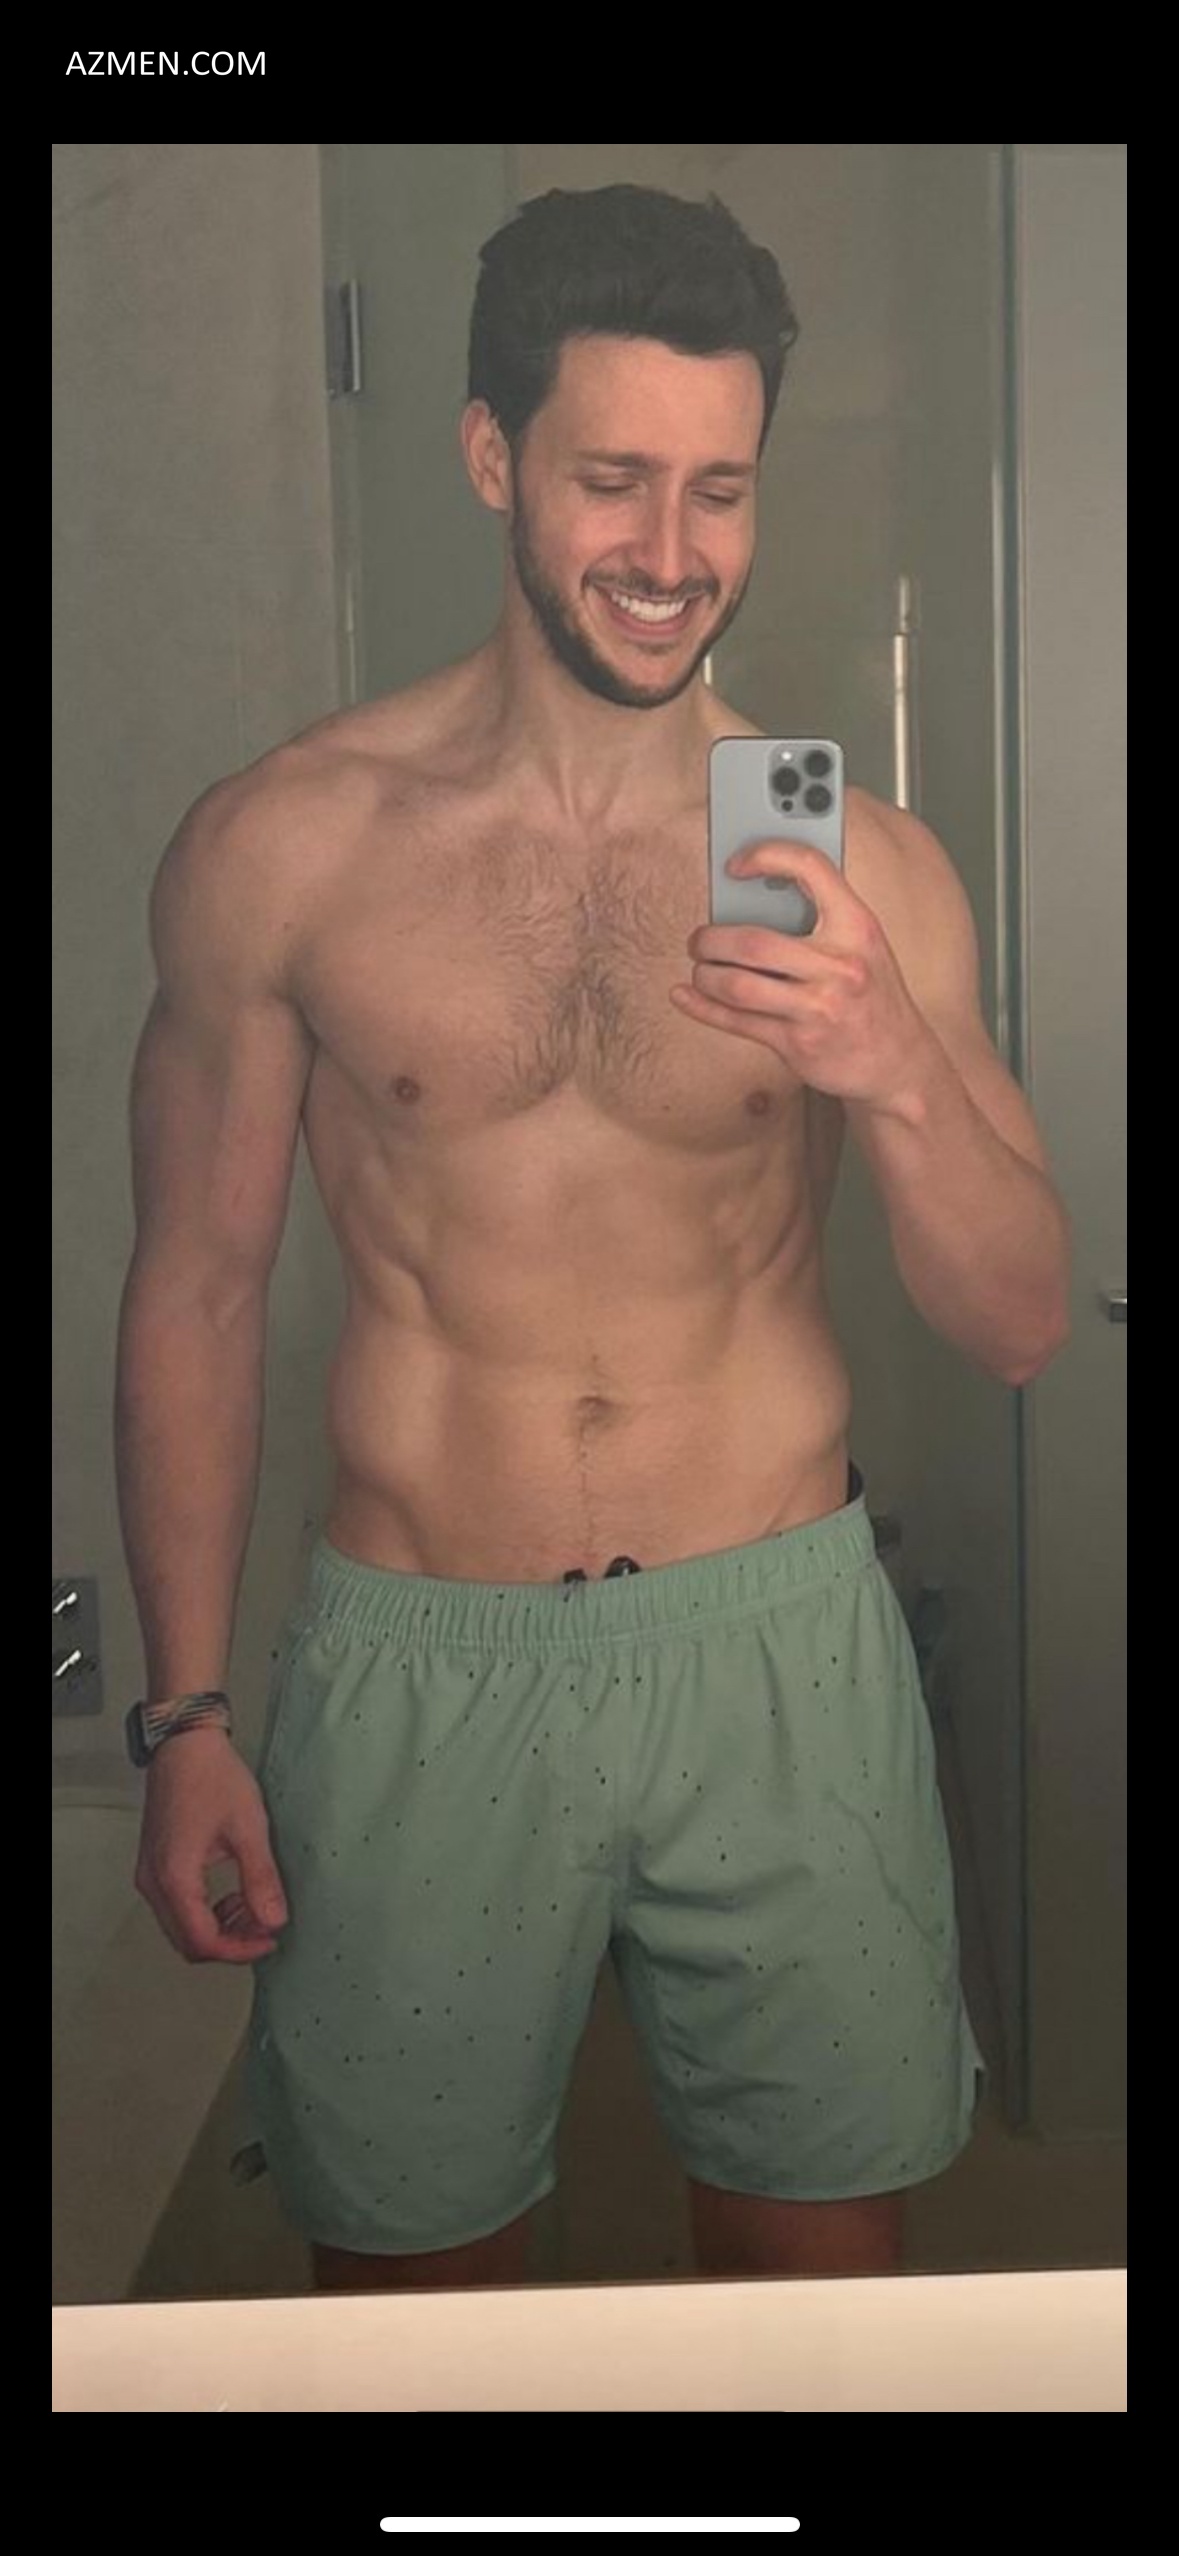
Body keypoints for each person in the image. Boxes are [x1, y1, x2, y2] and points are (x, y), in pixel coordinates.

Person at [116, 185, 1071, 2294]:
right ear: (492, 457)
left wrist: (892, 1066)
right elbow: (193, 1288)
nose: (669, 551)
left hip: (777, 1648)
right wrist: (184, 1718)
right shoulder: (286, 847)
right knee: (409, 2305)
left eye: (717, 488)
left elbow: (1018, 1324)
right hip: (420, 1660)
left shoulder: (865, 872)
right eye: (611, 478)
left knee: (817, 2305)